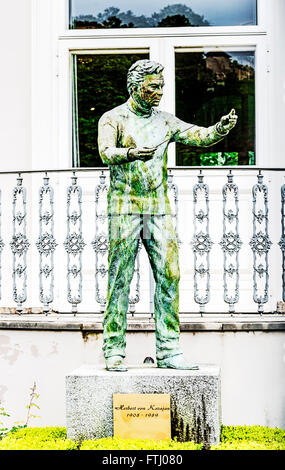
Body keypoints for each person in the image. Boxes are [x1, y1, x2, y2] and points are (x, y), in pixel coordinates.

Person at [98, 59, 237, 371]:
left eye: (161, 86)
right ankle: (113, 348)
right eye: (152, 87)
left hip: (158, 209)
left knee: (170, 274)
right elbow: (105, 152)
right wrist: (130, 154)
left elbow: (196, 136)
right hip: (125, 208)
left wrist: (220, 128)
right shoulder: (113, 119)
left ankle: (169, 349)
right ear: (134, 88)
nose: (159, 92)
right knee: (120, 278)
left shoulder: (164, 121)